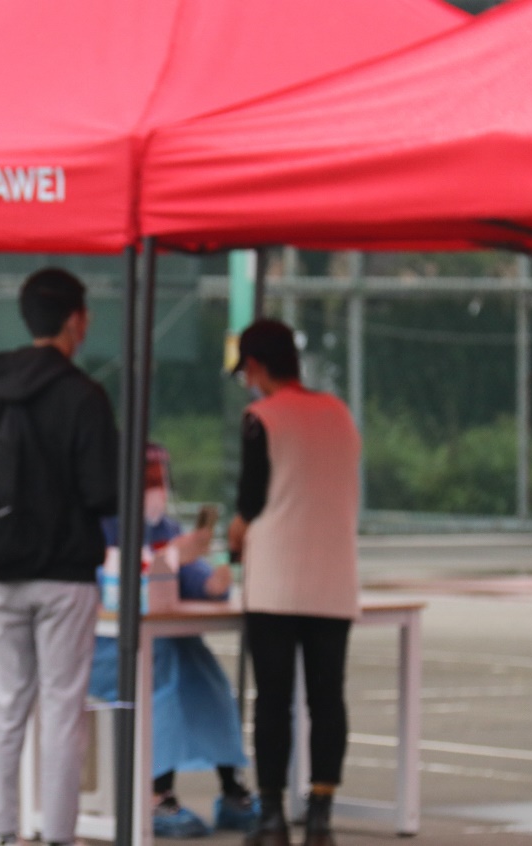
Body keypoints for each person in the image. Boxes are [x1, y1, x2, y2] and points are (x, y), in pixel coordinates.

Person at [0, 268, 119, 846]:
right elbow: (103, 492)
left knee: (6, 706)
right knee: (62, 709)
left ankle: (2, 833)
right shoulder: (85, 395)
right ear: (76, 320)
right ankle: (57, 835)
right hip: (66, 576)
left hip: (1, 571)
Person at [226, 318, 361, 846]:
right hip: (334, 576)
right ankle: (321, 815)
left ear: (257, 366)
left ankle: (272, 817)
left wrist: (236, 534)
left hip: (276, 581)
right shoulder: (340, 414)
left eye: (246, 371)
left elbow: (252, 500)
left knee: (273, 700)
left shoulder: (261, 418)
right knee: (327, 698)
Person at [87, 444, 259, 838]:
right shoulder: (101, 525)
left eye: (161, 480)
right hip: (109, 647)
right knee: (161, 675)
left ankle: (232, 787)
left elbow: (193, 579)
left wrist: (214, 579)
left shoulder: (165, 528)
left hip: (163, 639)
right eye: (150, 480)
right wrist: (170, 557)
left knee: (207, 677)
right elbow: (114, 588)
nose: (158, 490)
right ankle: (156, 793)